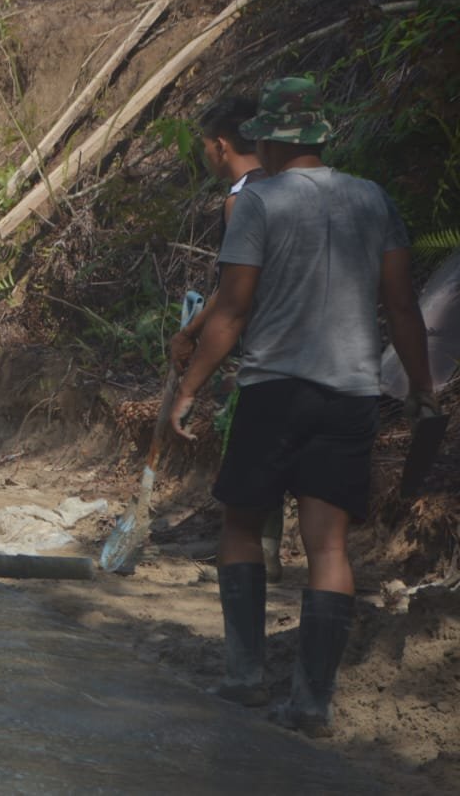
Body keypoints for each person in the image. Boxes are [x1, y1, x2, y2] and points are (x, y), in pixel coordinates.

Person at [169, 77, 436, 736]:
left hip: (274, 388)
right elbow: (402, 306)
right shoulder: (372, 199)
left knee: (240, 523)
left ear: (269, 138)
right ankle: (312, 703)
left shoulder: (260, 203)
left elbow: (232, 308)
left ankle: (244, 676)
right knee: (329, 543)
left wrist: (189, 387)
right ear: (319, 135)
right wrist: (424, 389)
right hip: (350, 391)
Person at [171, 96, 287, 583]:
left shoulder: (243, 200)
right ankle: (269, 549)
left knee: (258, 452)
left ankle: (255, 554)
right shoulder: (285, 187)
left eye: (204, 146)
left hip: (266, 342)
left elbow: (234, 292)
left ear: (221, 146)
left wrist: (191, 336)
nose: (203, 155)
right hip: (303, 340)